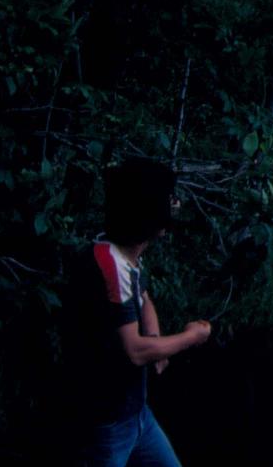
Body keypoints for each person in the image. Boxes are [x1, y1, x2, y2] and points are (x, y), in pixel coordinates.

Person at [64, 157, 211, 467]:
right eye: (168, 199)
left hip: (136, 415)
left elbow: (143, 298)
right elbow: (134, 350)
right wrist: (191, 336)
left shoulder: (124, 255)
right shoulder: (108, 265)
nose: (175, 205)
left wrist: (156, 340)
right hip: (107, 424)